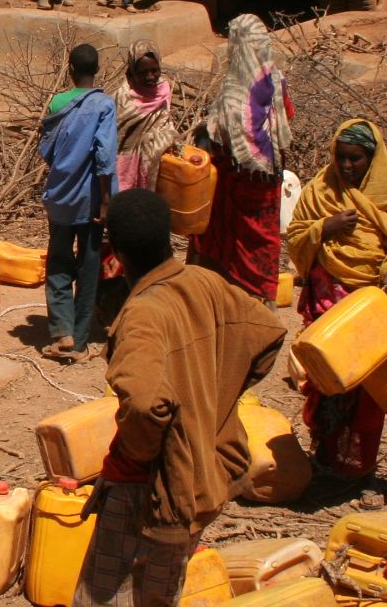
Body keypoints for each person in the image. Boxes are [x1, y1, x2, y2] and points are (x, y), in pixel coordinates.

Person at [74, 188, 284, 607]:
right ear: (170, 235)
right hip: (204, 474)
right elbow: (267, 332)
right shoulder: (204, 281)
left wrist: (146, 453)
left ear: (113, 248)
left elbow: (143, 405)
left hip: (148, 487)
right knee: (159, 595)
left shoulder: (142, 316)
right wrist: (217, 405)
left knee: (101, 597)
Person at [284, 119, 387, 478]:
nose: (347, 166)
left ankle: (362, 468)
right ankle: (325, 458)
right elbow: (296, 237)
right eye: (341, 157)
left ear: (373, 159)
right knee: (327, 382)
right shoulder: (319, 192)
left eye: (357, 159)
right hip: (327, 307)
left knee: (368, 391)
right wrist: (323, 229)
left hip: (370, 310)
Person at [189, 15, 294, 302]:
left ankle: (230, 296)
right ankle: (263, 296)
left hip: (237, 180)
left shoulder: (234, 90)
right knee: (263, 238)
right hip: (268, 176)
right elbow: (287, 115)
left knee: (226, 237)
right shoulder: (275, 78)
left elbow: (220, 134)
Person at [39, 44, 118, 362]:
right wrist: (106, 201)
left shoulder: (58, 102)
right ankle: (81, 341)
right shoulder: (104, 105)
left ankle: (62, 331)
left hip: (60, 196)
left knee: (58, 261)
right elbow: (104, 154)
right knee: (88, 266)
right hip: (91, 199)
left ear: (70, 68)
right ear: (97, 69)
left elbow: (46, 149)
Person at [114, 43, 176, 191]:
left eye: (154, 70)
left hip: (157, 162)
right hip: (125, 167)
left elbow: (165, 122)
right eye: (143, 72)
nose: (150, 76)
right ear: (132, 70)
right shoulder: (123, 97)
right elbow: (116, 138)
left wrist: (162, 140)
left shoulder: (163, 89)